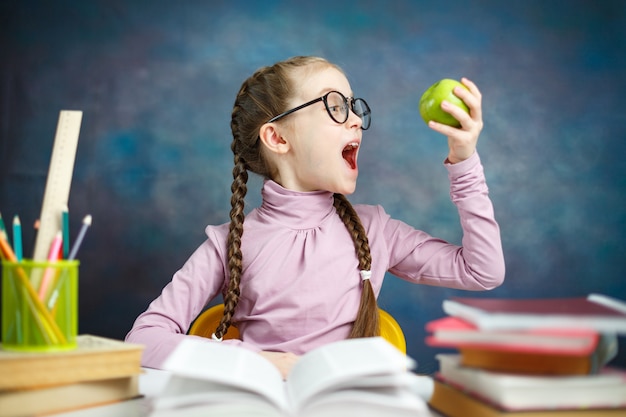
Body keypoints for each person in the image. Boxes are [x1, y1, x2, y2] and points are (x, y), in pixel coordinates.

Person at [125, 56, 505, 378]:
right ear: (277, 138)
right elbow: (143, 339)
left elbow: (482, 270)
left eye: (354, 107)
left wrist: (464, 160)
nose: (355, 120)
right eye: (335, 107)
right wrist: (263, 364)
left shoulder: (377, 230)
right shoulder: (229, 244)